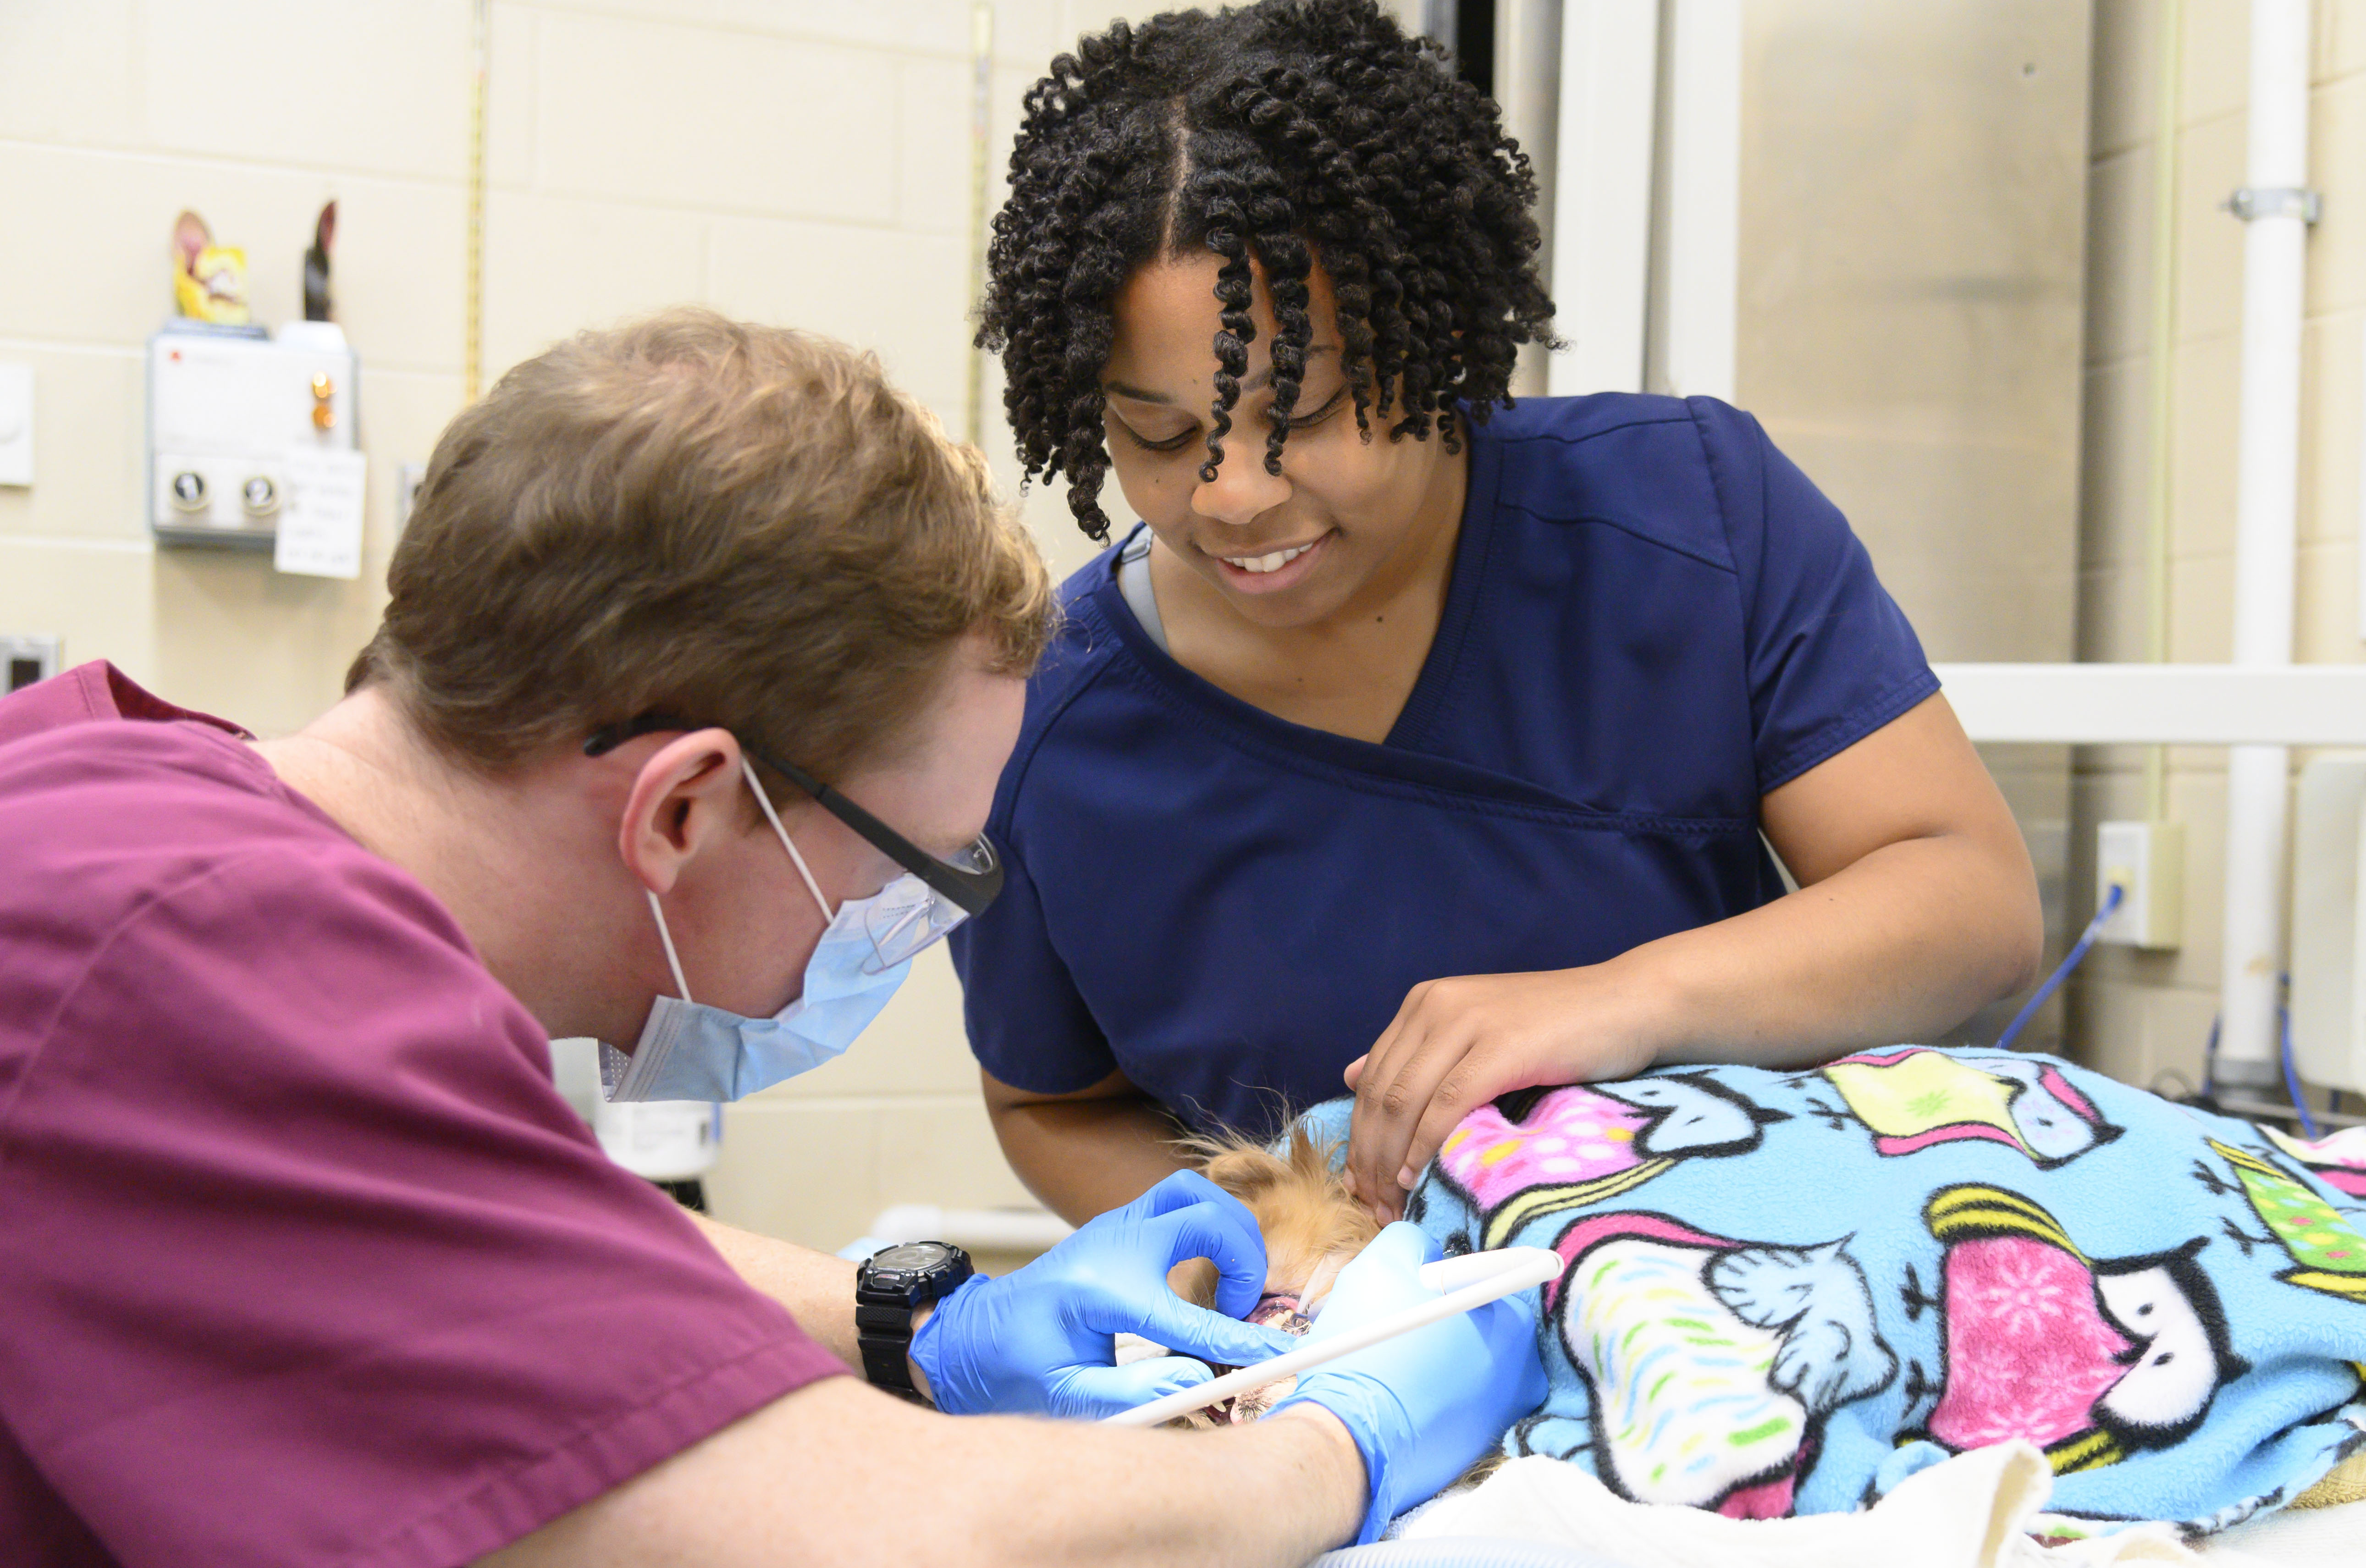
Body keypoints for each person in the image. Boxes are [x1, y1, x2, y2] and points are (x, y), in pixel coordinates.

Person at [0, 311, 1541, 1567]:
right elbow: (898, 1541)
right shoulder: (198, 972)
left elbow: (471, 1239)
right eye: (916, 866)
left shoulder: (123, 799)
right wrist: (1334, 1445)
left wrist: (918, 1324)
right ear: (682, 809)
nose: (907, 927)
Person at [953, 0, 2046, 1228]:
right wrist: (1286, 1255)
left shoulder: (1685, 518)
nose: (1234, 497)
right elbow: (1048, 1105)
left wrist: (1622, 1001)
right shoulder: (1040, 728)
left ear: (1432, 342)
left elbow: (1971, 906)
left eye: (1301, 414)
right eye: (1157, 434)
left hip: (1723, 1301)